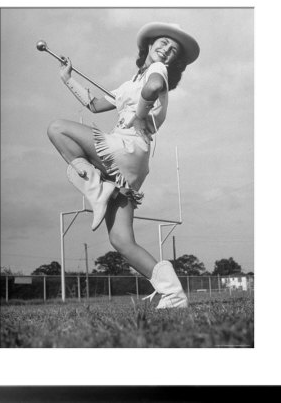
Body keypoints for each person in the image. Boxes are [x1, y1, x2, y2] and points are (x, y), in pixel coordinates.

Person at [47, 22, 199, 308]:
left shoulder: (158, 71)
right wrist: (68, 78)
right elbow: (93, 104)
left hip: (129, 145)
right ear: (150, 45)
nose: (167, 50)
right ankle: (173, 294)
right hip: (132, 165)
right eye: (164, 43)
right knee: (121, 241)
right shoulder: (132, 81)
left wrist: (140, 111)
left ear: (173, 61)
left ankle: (96, 186)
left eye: (173, 50)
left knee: (58, 129)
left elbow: (153, 88)